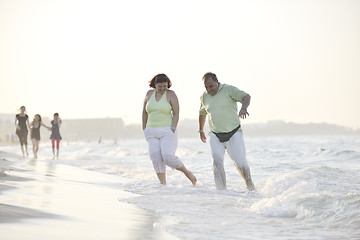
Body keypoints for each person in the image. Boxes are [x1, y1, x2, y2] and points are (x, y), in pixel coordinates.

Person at [198, 72, 255, 191]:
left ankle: (250, 186)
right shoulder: (204, 96)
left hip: (234, 132)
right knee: (217, 161)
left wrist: (244, 108)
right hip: (215, 134)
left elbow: (246, 96)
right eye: (206, 87)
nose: (209, 89)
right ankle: (221, 191)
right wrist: (201, 130)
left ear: (217, 82)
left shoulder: (229, 90)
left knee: (240, 163)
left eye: (211, 86)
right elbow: (202, 113)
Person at [142, 73, 197, 186]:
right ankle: (163, 184)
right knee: (155, 156)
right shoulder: (149, 94)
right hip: (151, 131)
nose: (162, 89)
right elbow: (144, 112)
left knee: (167, 156)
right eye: (160, 87)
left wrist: (173, 128)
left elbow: (176, 113)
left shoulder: (171, 95)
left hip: (167, 131)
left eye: (165, 86)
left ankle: (188, 174)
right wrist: (144, 128)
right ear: (154, 85)